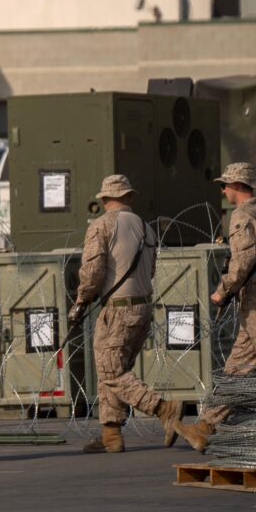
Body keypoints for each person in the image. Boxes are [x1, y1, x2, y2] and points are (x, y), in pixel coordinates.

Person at [175, 163, 256, 452]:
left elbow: (243, 260)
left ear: (237, 186)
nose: (223, 190)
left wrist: (222, 291)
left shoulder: (242, 215)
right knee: (237, 370)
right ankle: (205, 428)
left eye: (225, 185)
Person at [69, 175, 183, 453]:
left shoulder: (102, 226)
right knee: (113, 367)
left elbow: (93, 271)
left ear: (104, 199)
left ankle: (163, 408)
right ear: (130, 197)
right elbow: (152, 270)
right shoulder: (146, 228)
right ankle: (111, 434)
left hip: (117, 309)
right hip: (142, 307)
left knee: (111, 371)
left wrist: (81, 300)